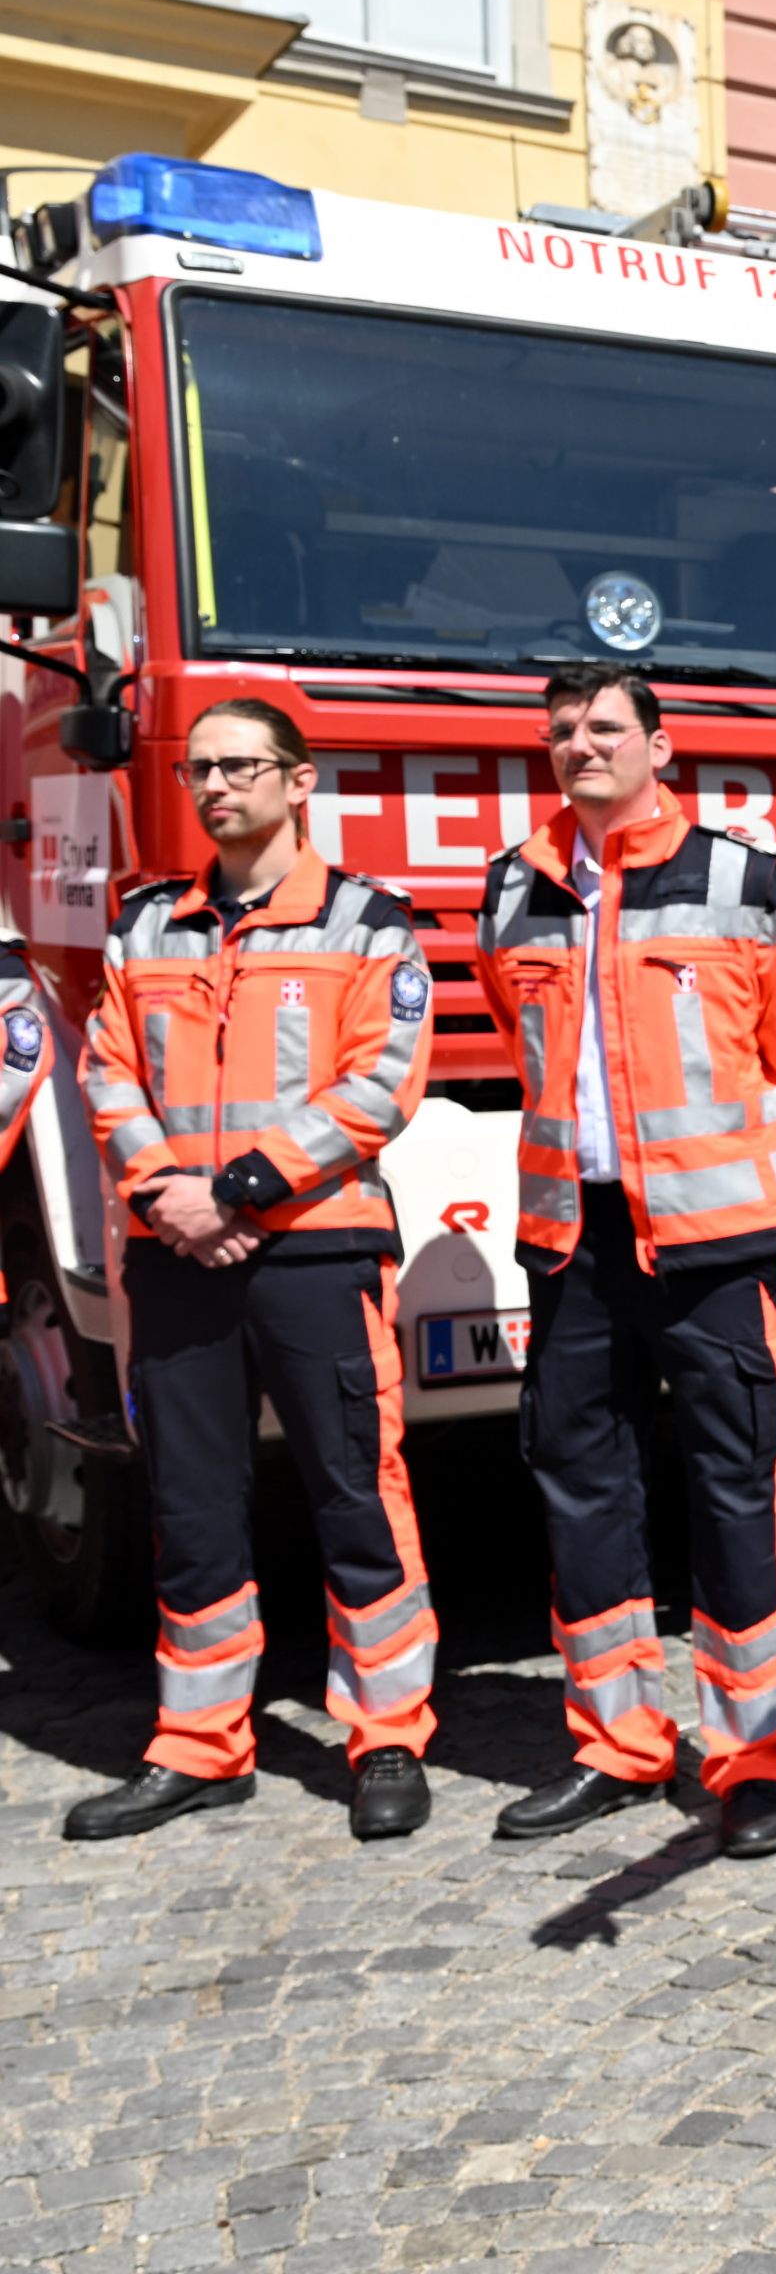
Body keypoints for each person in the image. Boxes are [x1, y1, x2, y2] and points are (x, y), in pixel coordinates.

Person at [475, 666, 776, 1860]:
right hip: (571, 1237)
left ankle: (755, 1759)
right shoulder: (512, 888)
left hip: (715, 1240)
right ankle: (617, 1742)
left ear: (660, 746)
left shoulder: (745, 881)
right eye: (563, 730)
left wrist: (718, 1175)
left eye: (606, 728)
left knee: (740, 1487)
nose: (582, 746)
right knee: (581, 1479)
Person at [65, 697, 439, 1843]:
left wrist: (236, 1190)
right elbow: (106, 1071)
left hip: (317, 1248)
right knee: (188, 1500)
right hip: (177, 1253)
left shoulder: (372, 923)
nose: (215, 784)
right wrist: (168, 1196)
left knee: (354, 1491)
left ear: (299, 779)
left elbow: (382, 1085)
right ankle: (200, 1743)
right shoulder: (144, 930)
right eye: (200, 769)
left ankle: (387, 1736)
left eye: (240, 765)